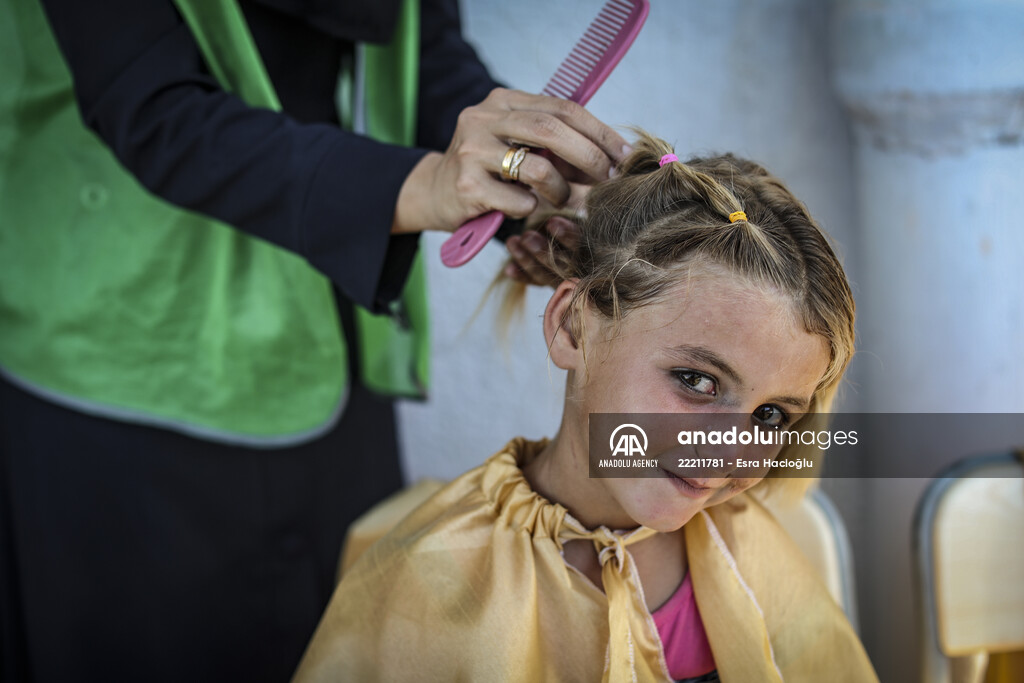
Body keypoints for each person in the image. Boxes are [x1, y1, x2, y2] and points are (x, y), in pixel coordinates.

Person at [0, 0, 628, 680]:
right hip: (128, 360)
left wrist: (519, 186)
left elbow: (422, 47)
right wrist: (422, 185)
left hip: (332, 335)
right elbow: (153, 106)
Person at [291, 132, 880, 682]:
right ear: (574, 326)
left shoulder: (752, 555)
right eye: (696, 381)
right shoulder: (431, 578)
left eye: (771, 415)